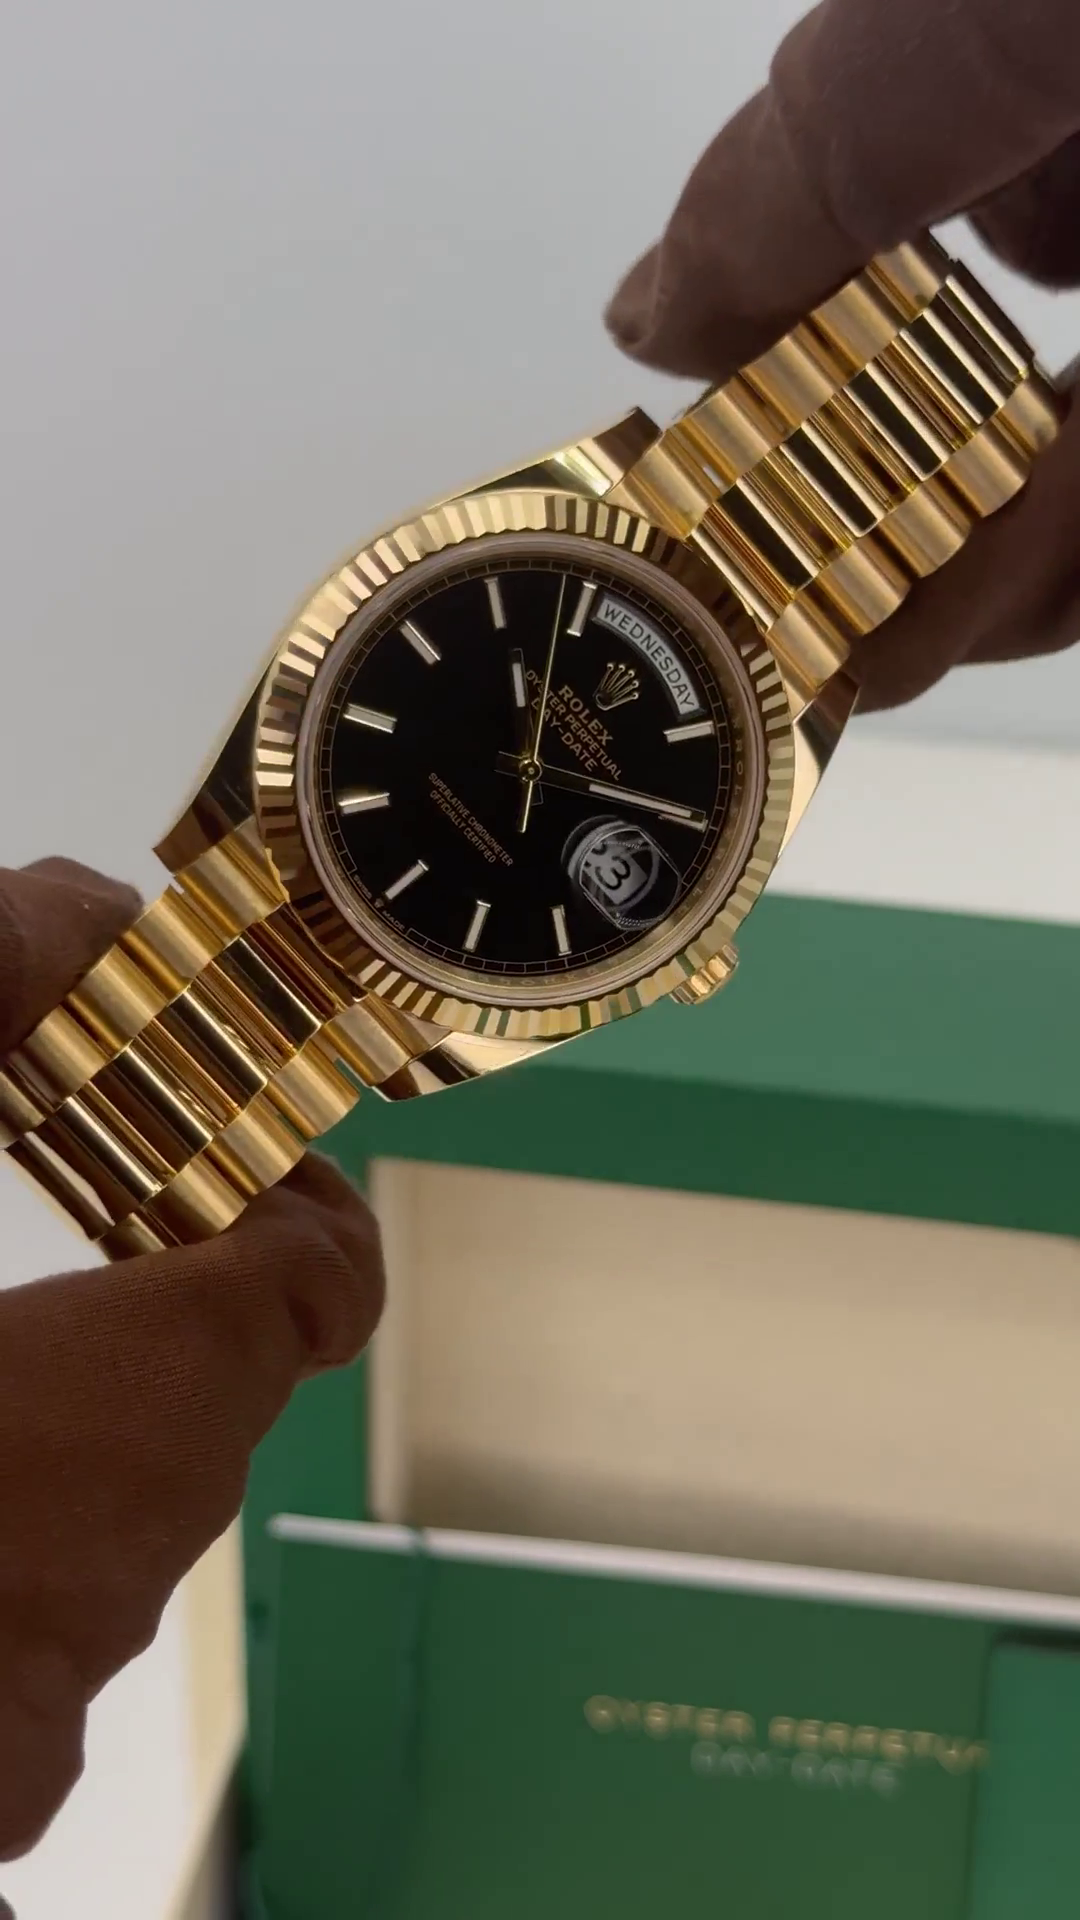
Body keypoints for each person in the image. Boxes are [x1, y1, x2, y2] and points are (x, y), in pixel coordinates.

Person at [2, 0, 1078, 1876]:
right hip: (307, 870)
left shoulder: (688, 783)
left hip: (431, 895)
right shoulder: (547, 599)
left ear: (683, 938)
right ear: (380, 597)